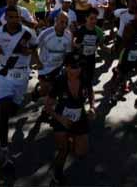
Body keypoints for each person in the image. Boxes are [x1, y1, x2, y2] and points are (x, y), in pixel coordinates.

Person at [0, 7, 38, 168]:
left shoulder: (28, 32)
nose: (13, 20)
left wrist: (29, 52)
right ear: (6, 18)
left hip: (22, 74)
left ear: (20, 17)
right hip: (4, 73)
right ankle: (4, 149)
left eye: (16, 17)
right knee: (3, 111)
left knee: (13, 109)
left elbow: (34, 46)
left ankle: (18, 104)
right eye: (10, 17)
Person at [45, 52, 95, 186]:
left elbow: (91, 92)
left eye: (80, 66)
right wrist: (61, 119)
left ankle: (73, 139)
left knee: (81, 153)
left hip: (80, 116)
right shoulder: (59, 81)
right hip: (61, 117)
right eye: (73, 66)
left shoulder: (85, 77)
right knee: (63, 150)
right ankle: (57, 174)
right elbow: (48, 107)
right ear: (66, 67)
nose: (77, 69)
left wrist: (92, 107)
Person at [114, 5, 137, 111]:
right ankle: (115, 94)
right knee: (121, 78)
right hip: (128, 55)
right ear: (135, 14)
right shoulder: (129, 26)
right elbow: (127, 44)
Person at [31, 12, 72, 104]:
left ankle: (47, 111)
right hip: (44, 67)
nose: (64, 25)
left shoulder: (68, 36)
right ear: (55, 21)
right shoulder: (45, 33)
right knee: (45, 91)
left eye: (66, 23)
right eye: (62, 22)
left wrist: (67, 67)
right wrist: (37, 62)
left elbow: (68, 53)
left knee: (54, 91)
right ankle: (37, 93)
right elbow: (34, 48)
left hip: (58, 67)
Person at [74, 8, 107, 86]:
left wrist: (111, 50)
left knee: (89, 79)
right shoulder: (80, 30)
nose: (94, 21)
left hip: (91, 58)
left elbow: (102, 46)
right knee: (79, 79)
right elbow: (74, 44)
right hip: (80, 58)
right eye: (91, 18)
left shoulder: (99, 31)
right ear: (86, 18)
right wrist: (76, 45)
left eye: (95, 18)